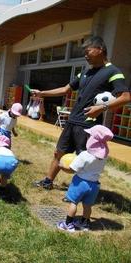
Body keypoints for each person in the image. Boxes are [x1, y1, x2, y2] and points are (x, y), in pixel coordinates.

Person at [32, 36, 131, 190]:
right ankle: (48, 181)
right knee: (59, 153)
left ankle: (78, 192)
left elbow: (125, 97)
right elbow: (66, 89)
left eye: (88, 51)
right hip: (72, 121)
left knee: (85, 159)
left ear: (100, 49)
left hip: (89, 125)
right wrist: (42, 93)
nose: (85, 55)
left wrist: (102, 108)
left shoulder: (113, 71)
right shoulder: (86, 72)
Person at [57, 125, 113, 232]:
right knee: (87, 205)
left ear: (92, 140)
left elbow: (72, 169)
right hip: (95, 185)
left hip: (80, 183)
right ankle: (85, 223)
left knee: (73, 203)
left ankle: (68, 224)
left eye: (89, 136)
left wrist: (61, 166)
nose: (87, 137)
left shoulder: (84, 155)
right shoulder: (104, 157)